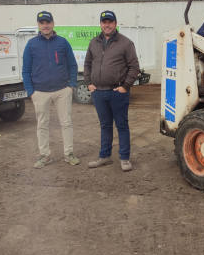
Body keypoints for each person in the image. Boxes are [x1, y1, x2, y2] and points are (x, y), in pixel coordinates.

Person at [84, 10, 140, 172]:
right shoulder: (94, 43)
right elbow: (87, 64)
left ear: (115, 24)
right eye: (104, 22)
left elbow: (134, 67)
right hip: (98, 93)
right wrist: (89, 83)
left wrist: (125, 86)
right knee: (105, 125)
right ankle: (105, 156)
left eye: (110, 22)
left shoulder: (125, 43)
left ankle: (124, 158)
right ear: (100, 24)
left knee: (122, 125)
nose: (107, 25)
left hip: (117, 92)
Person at [22, 11, 80, 169]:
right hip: (40, 92)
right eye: (42, 23)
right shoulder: (31, 45)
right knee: (42, 124)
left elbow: (72, 65)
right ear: (38, 25)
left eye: (48, 22)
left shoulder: (62, 43)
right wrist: (31, 92)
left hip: (62, 91)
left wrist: (71, 85)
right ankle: (44, 155)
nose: (45, 25)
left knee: (66, 123)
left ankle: (69, 154)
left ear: (53, 23)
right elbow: (26, 70)